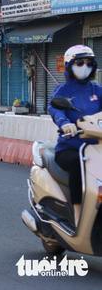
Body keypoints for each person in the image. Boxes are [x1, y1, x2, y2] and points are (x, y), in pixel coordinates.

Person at [49, 45, 102, 226]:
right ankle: (78, 215)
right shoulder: (62, 91)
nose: (84, 66)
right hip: (70, 148)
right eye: (79, 62)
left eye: (89, 63)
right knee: (80, 164)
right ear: (69, 65)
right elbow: (55, 109)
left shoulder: (97, 91)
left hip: (96, 148)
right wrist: (64, 124)